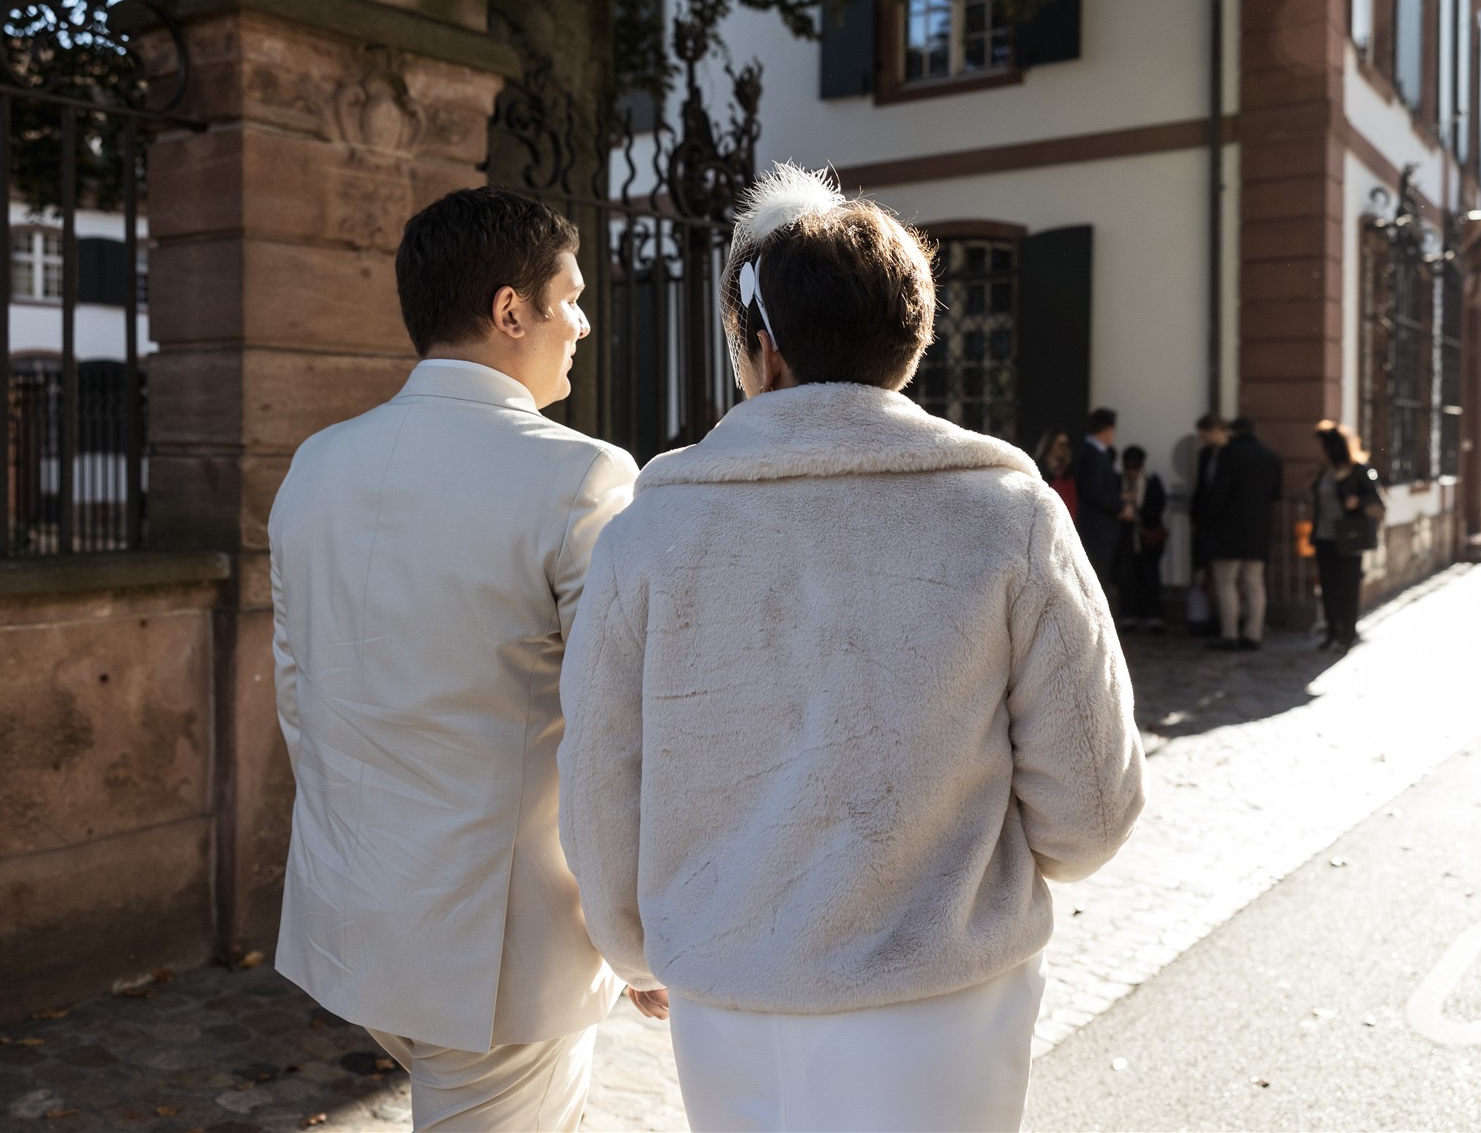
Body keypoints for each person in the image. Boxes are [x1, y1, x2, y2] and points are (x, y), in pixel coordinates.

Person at [558, 164, 1144, 1133]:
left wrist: (630, 945)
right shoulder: (1005, 512)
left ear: (760, 349)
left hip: (732, 993)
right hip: (945, 996)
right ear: (908, 345)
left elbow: (597, 775)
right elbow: (1090, 805)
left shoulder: (650, 531)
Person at [268, 188, 651, 1132]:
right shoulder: (582, 476)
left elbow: (296, 691)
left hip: (353, 914)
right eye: (571, 297)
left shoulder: (315, 463)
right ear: (511, 309)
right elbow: (619, 735)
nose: (584, 322)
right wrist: (640, 940)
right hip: (499, 949)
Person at [1200, 415, 1283, 651]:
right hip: (1258, 530)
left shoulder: (1227, 454)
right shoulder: (1272, 457)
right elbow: (1275, 495)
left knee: (1227, 582)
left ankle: (1230, 634)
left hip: (1228, 530)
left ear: (1233, 432)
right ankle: (1254, 634)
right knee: (1254, 584)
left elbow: (1218, 494)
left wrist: (1209, 520)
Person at [1311, 420, 1384, 650]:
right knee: (1328, 586)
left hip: (1350, 537)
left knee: (1348, 587)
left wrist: (1357, 502)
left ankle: (1347, 635)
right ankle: (1332, 632)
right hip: (1324, 536)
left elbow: (1376, 499)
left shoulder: (1359, 469)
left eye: (1322, 446)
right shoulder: (1324, 471)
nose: (1319, 451)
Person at [1112, 445, 1169, 632]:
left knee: (1150, 577)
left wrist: (1137, 513)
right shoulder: (1118, 481)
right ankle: (1129, 617)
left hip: (1147, 538)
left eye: (1135, 467)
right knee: (1127, 577)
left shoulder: (1152, 482)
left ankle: (1153, 617)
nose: (1131, 471)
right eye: (1128, 466)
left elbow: (1157, 506)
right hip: (1126, 540)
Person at [1072, 407, 1127, 583]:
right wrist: (1120, 506)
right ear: (1108, 429)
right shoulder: (1092, 455)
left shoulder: (1095, 454)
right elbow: (1093, 492)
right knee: (1096, 578)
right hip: (1097, 530)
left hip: (1099, 529)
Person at [1186, 414, 1227, 636]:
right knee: (1207, 573)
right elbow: (1201, 486)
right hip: (1205, 521)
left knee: (1223, 577)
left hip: (1221, 523)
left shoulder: (1229, 454)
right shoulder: (1206, 454)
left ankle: (1221, 620)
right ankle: (1208, 618)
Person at [1034, 427, 1078, 516]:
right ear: (1049, 444)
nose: (1064, 449)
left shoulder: (1068, 474)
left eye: (1067, 445)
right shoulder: (1037, 472)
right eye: (1061, 444)